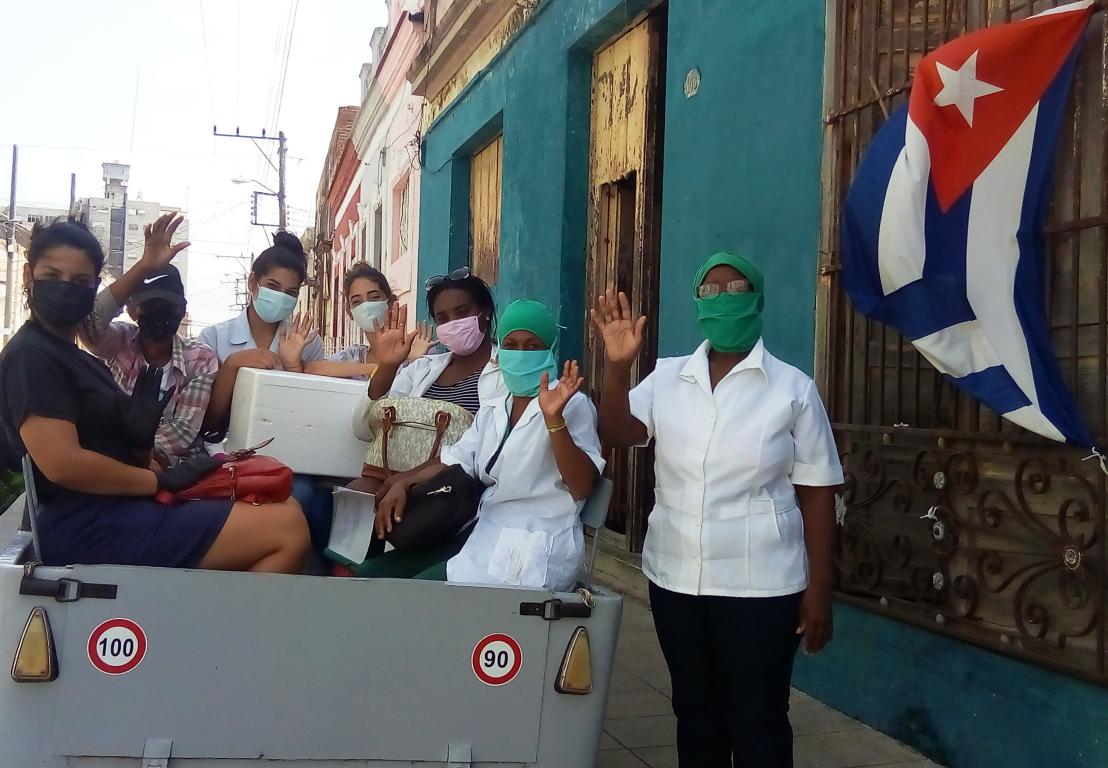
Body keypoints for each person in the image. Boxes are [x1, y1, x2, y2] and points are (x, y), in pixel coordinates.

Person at [590, 251, 842, 768]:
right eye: (711, 290)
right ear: (696, 303)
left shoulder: (792, 389)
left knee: (758, 720)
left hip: (763, 586)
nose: (724, 299)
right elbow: (616, 433)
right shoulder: (666, 378)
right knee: (696, 715)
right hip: (676, 579)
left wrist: (820, 588)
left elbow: (818, 491)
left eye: (737, 289)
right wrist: (617, 371)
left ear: (758, 300)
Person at [0, 220, 309, 572]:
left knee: (287, 506)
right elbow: (63, 464)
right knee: (287, 530)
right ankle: (224, 626)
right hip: (89, 522)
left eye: (81, 282)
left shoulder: (74, 355)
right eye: (52, 276)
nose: (67, 290)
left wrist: (141, 444)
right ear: (29, 276)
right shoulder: (33, 355)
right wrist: (156, 480)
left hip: (119, 506)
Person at [373, 300, 603, 589]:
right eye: (511, 344)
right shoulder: (495, 408)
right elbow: (454, 459)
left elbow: (581, 486)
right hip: (483, 530)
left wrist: (553, 420)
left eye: (533, 346)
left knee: (417, 600)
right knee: (375, 577)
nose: (521, 353)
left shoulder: (573, 405)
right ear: (500, 352)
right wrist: (402, 482)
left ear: (550, 349)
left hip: (536, 541)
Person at [78, 213, 217, 468]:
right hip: (115, 462)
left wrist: (138, 452)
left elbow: (183, 431)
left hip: (166, 467)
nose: (161, 313)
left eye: (170, 306)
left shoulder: (199, 357)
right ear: (133, 311)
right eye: (152, 305)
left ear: (182, 311)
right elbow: (88, 325)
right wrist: (143, 266)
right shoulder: (118, 341)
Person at [200, 231, 323, 433]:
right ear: (252, 283)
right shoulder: (212, 338)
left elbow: (309, 415)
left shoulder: (309, 342)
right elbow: (207, 423)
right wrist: (232, 366)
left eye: (291, 293)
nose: (280, 297)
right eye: (272, 287)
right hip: (227, 453)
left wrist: (293, 366)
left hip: (287, 449)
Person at [355, 267, 503, 420]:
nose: (452, 322)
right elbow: (364, 427)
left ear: (486, 312)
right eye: (442, 318)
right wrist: (387, 367)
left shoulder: (506, 371)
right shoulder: (420, 369)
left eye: (462, 312)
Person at [303, 262, 433, 380]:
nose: (366, 306)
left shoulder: (419, 349)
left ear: (391, 302)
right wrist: (375, 368)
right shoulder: (355, 356)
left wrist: (415, 362)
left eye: (375, 297)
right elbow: (312, 369)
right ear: (350, 312)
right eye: (357, 302)